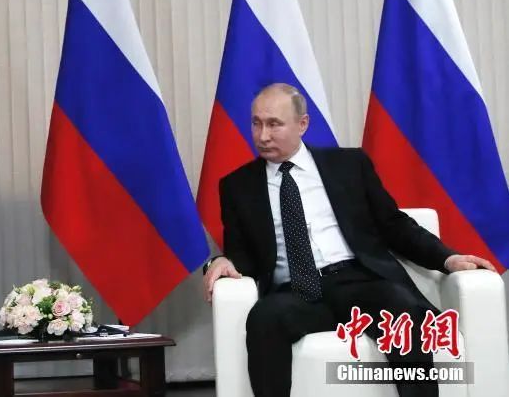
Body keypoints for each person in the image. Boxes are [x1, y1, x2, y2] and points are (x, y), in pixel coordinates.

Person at [202, 83, 494, 397]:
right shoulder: (237, 186)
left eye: (274, 124)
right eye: (256, 123)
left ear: (302, 124)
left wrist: (448, 258)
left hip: (358, 282)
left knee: (403, 310)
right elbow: (242, 255)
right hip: (296, 293)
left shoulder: (349, 165)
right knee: (264, 319)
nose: (262, 135)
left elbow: (394, 225)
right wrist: (220, 261)